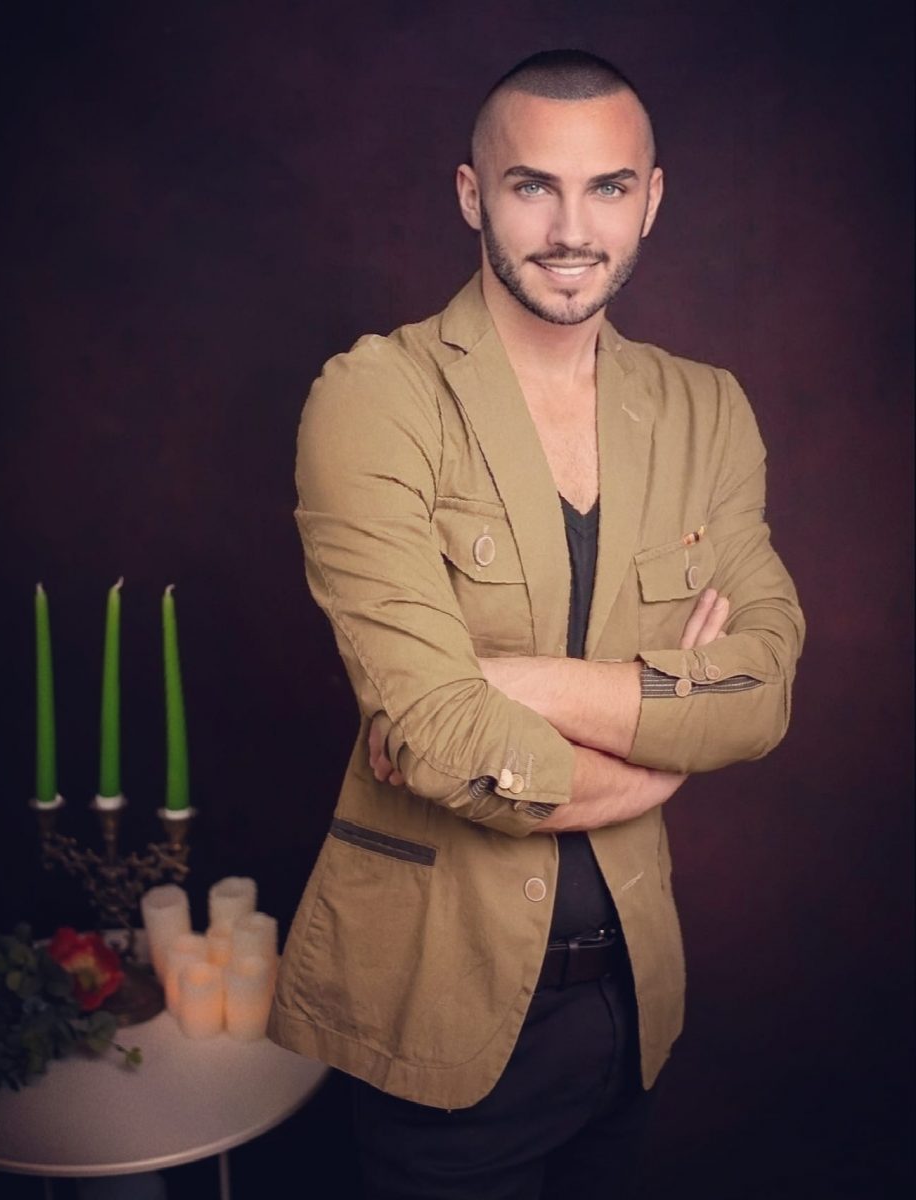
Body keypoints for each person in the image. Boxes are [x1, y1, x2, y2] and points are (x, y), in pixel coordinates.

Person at [269, 49, 804, 1199]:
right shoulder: (376, 397)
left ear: (651, 199)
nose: (571, 229)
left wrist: (513, 682)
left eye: (607, 187)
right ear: (473, 195)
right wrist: (663, 756)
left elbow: (762, 690)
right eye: (532, 187)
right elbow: (434, 736)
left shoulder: (709, 409)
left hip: (632, 1006)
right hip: (437, 1015)